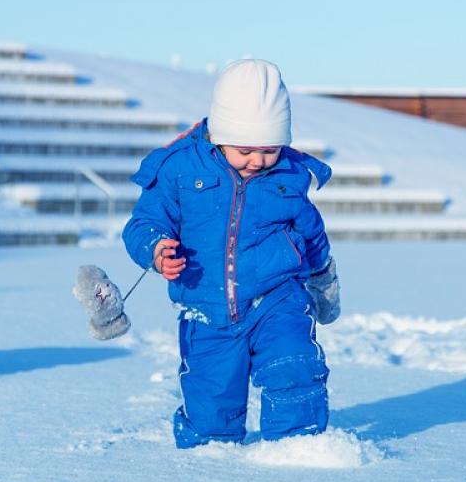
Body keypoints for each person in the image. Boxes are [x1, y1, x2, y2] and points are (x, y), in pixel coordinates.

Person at [122, 59, 341, 449]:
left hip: (278, 297)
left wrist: (322, 278)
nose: (258, 160)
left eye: (270, 150)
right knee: (212, 400)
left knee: (294, 366)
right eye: (245, 150)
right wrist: (156, 249)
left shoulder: (288, 175)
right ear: (220, 134)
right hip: (208, 307)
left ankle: (299, 449)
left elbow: (311, 232)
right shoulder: (179, 170)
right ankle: (212, 461)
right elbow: (144, 222)